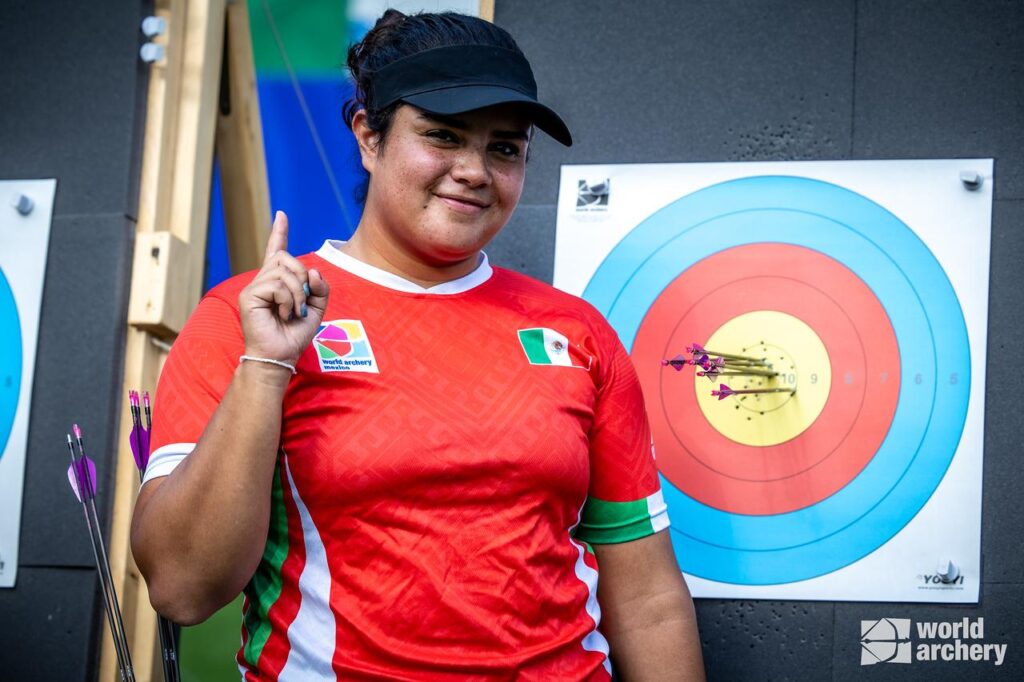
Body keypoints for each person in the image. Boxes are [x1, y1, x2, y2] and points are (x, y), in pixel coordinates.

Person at [131, 10, 704, 681]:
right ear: (368, 136)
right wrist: (266, 365)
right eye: (442, 136)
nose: (474, 171)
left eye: (504, 148)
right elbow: (182, 586)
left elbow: (649, 602)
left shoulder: (578, 333)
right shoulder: (247, 317)